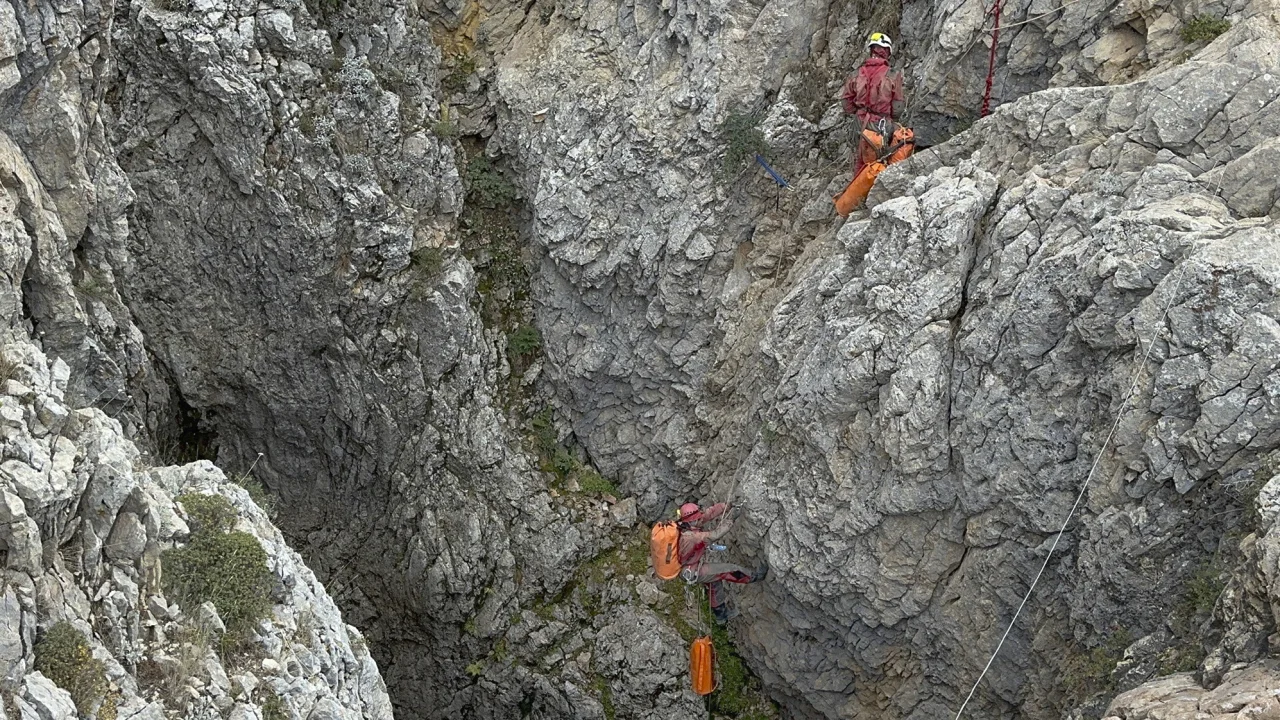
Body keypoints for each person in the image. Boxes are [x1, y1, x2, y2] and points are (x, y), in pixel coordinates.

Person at [676, 503, 767, 624]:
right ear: (693, 520)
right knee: (728, 570)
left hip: (690, 567)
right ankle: (755, 576)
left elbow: (708, 514)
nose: (700, 518)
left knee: (714, 583)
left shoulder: (684, 525)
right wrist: (731, 519)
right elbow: (715, 535)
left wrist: (727, 506)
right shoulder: (691, 537)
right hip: (691, 571)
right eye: (698, 518)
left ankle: (721, 616)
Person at [841, 33, 906, 177]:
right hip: (881, 124)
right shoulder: (893, 74)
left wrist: (859, 112)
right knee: (879, 159)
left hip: (860, 122)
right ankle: (872, 189)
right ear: (887, 51)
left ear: (871, 50)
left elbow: (846, 102)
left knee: (860, 157)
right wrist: (890, 119)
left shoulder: (856, 73)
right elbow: (898, 107)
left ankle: (856, 187)